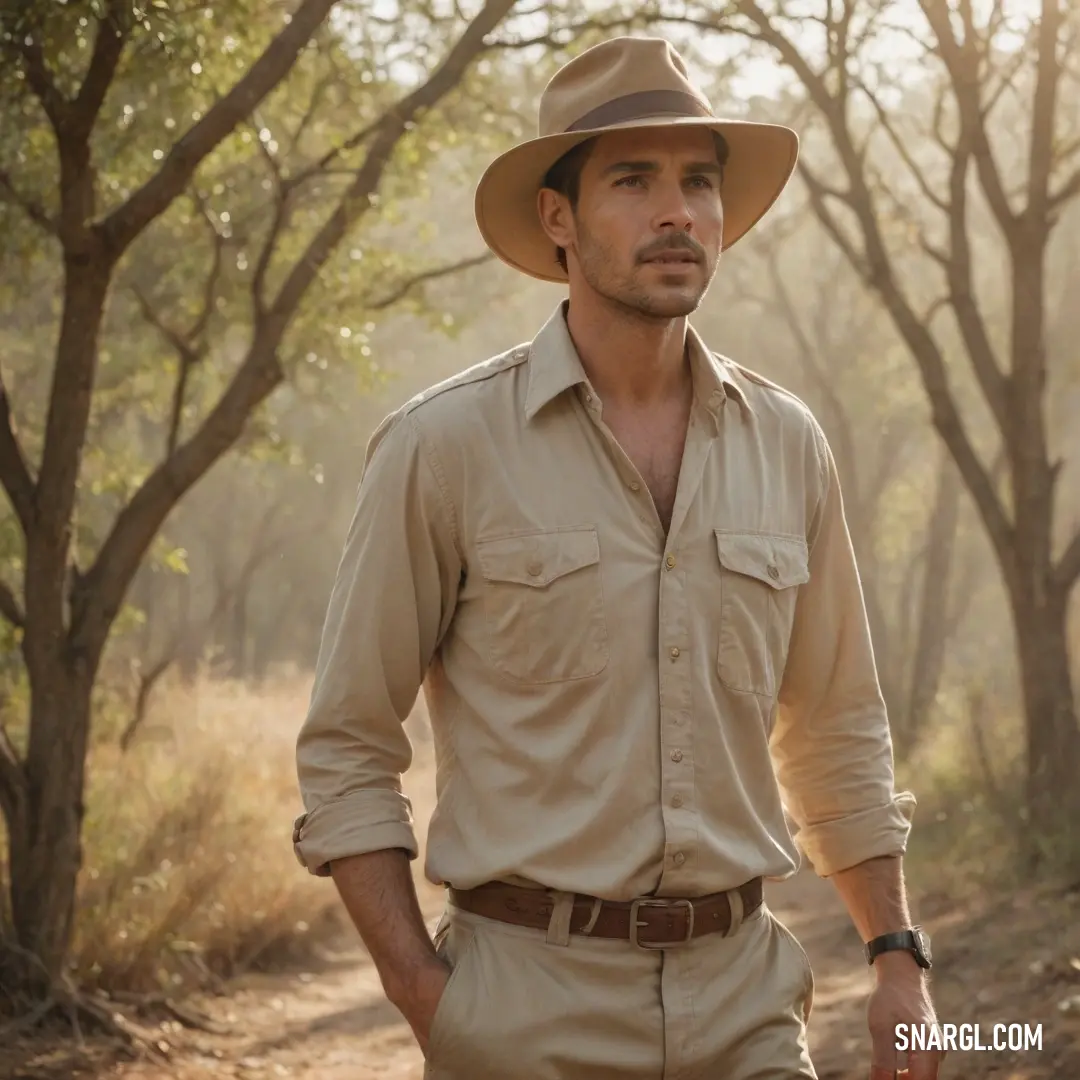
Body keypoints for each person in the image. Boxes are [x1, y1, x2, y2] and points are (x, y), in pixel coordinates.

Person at [293, 35, 943, 1080]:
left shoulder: (787, 445)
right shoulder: (444, 447)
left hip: (748, 1006)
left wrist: (896, 954)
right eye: (632, 180)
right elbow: (346, 747)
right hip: (523, 1014)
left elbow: (836, 730)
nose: (675, 212)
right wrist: (426, 996)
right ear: (558, 218)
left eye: (697, 181)